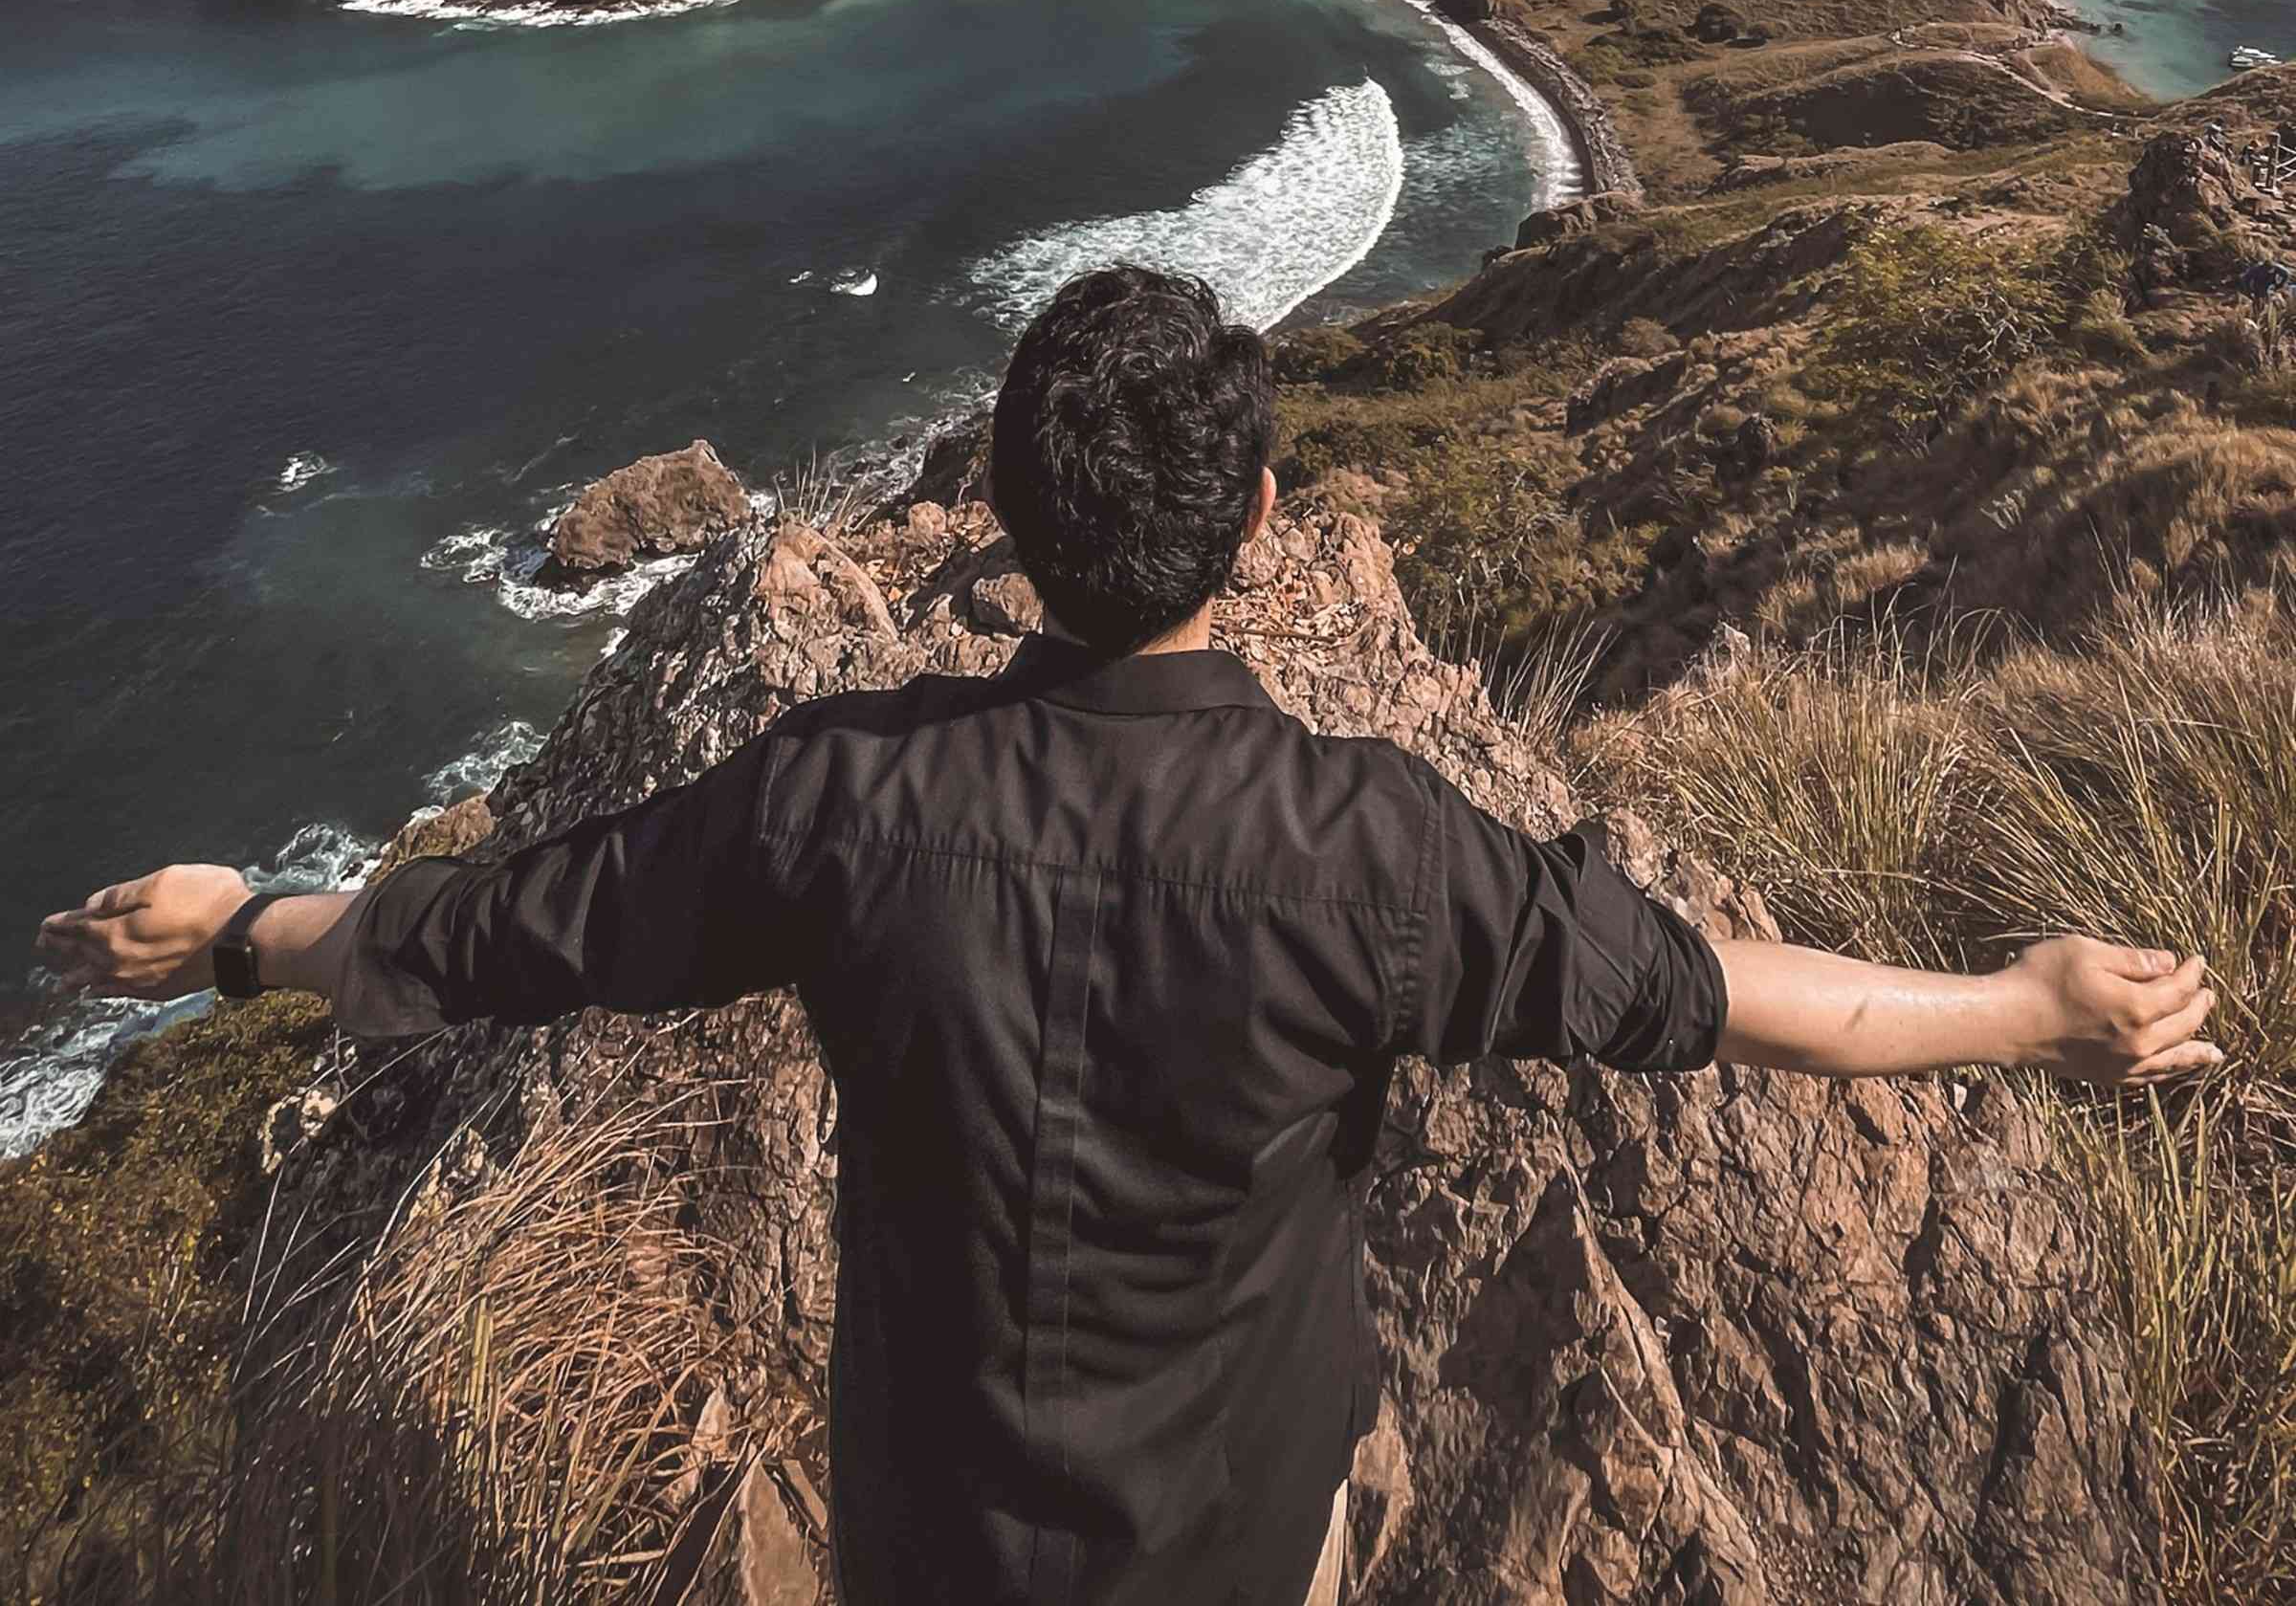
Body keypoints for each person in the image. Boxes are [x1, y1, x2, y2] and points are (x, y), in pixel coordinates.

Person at [40, 265, 2219, 1606]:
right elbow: (1725, 1004)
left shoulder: (848, 799)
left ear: (1002, 516)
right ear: (1260, 526)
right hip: (1241, 1531)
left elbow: (506, 930)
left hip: (930, 1535)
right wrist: (2026, 1009)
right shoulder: (1369, 844)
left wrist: (248, 928)